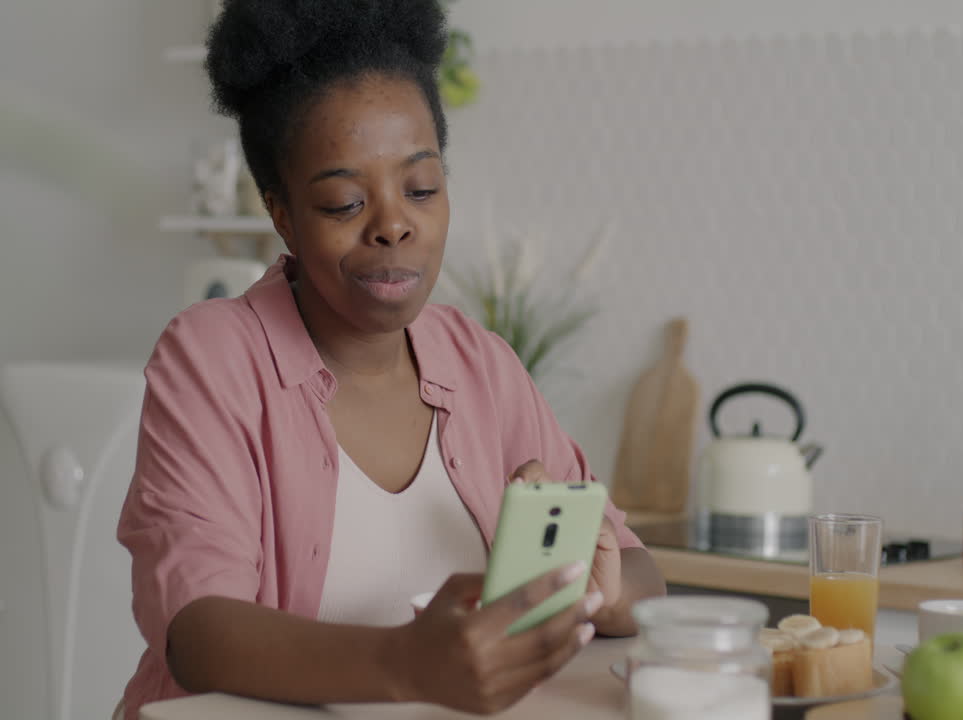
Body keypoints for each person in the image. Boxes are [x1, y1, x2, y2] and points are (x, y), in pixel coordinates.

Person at [116, 1, 667, 718]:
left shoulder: (482, 365)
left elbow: (641, 574)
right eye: (345, 203)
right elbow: (198, 633)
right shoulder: (213, 357)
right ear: (281, 213)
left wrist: (591, 582)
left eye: (421, 189)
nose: (394, 224)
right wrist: (409, 663)